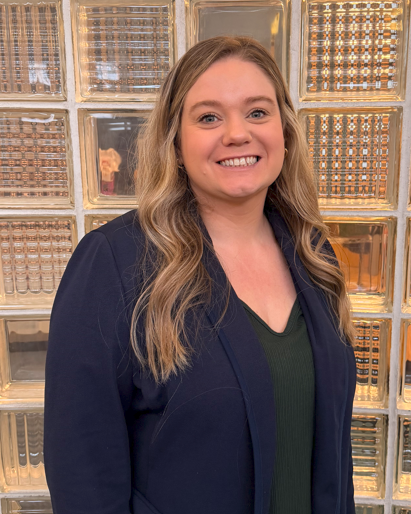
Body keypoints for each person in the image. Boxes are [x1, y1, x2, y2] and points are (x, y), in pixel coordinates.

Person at [44, 36, 357, 514]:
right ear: (175, 142)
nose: (237, 133)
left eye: (257, 112)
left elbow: (333, 450)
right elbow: (82, 474)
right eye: (209, 117)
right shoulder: (115, 263)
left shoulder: (312, 254)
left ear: (285, 131)